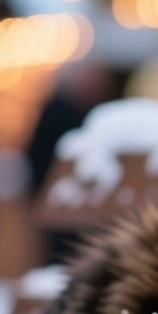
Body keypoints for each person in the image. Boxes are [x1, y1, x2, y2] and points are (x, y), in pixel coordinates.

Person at [24, 64, 119, 263]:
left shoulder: (90, 112)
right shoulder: (58, 113)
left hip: (78, 203)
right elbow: (37, 156)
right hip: (59, 198)